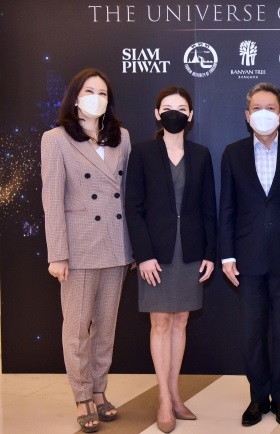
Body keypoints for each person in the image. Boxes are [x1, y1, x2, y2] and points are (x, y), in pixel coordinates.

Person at [219, 82, 280, 428]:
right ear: (247, 116)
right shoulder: (232, 153)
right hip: (246, 259)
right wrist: (226, 256)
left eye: (271, 108)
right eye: (257, 108)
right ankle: (258, 397)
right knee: (252, 333)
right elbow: (227, 207)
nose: (264, 114)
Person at [41, 68, 132, 433]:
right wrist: (57, 254)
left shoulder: (121, 137)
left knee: (106, 328)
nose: (97, 98)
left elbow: (129, 195)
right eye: (90, 91)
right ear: (75, 97)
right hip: (79, 249)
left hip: (117, 246)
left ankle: (99, 389)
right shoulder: (56, 139)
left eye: (103, 93)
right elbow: (52, 200)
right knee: (78, 328)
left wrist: (133, 247)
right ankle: (81, 395)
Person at [125, 87, 217, 433]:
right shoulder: (142, 152)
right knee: (160, 323)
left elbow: (208, 208)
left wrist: (210, 253)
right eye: (167, 107)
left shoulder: (201, 155)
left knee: (181, 322)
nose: (174, 112)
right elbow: (133, 208)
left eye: (181, 107)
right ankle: (163, 398)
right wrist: (144, 255)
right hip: (156, 253)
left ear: (190, 115)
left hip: (190, 252)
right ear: (157, 114)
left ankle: (176, 394)